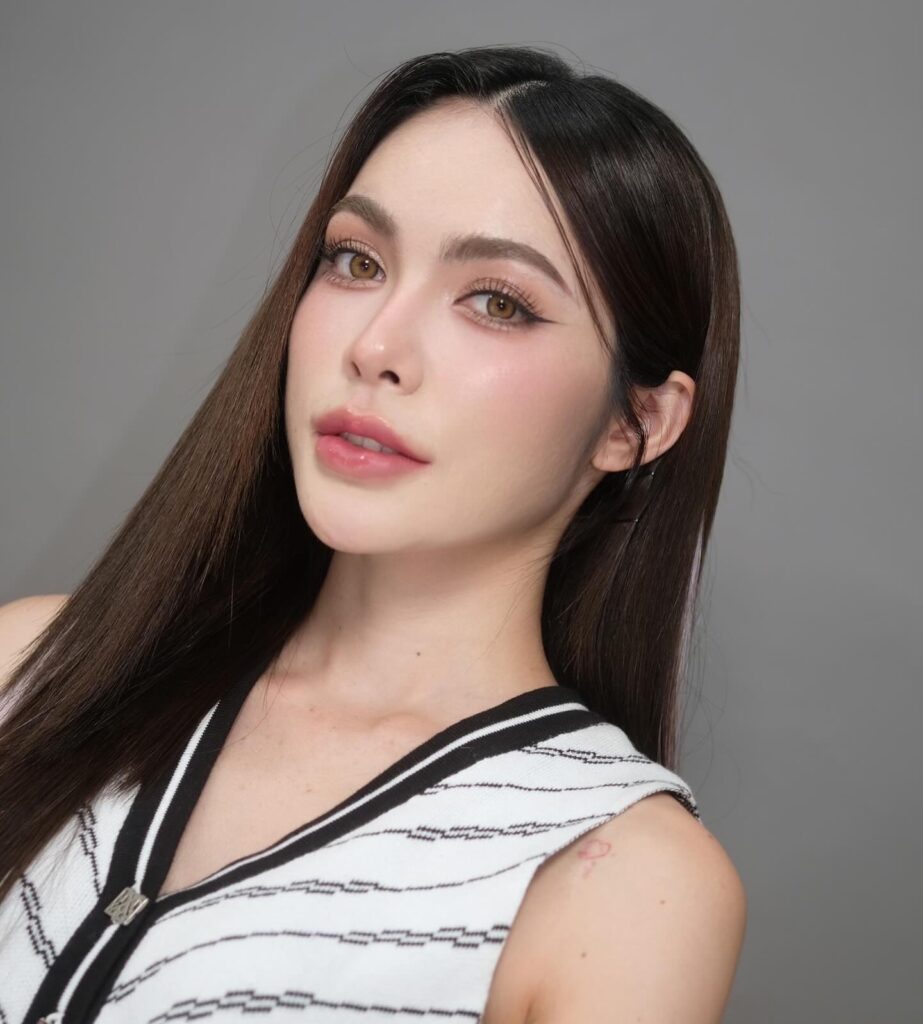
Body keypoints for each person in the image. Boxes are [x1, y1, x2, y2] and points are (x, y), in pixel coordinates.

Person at [0, 44, 746, 1023]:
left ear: (633, 423)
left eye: (497, 302)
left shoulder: (622, 885)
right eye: (357, 261)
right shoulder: (31, 668)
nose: (376, 346)